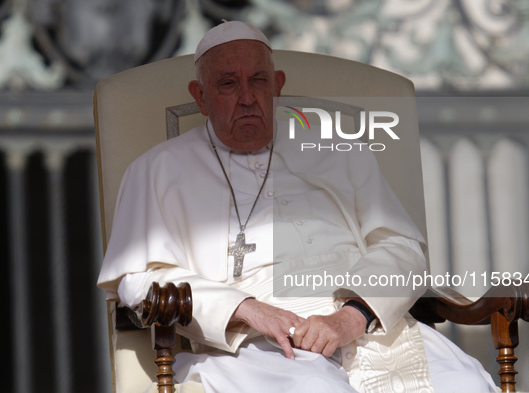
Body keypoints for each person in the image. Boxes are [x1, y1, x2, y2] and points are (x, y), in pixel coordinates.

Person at [98, 21, 498, 393]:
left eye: (258, 80)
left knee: (463, 385)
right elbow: (137, 278)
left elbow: (403, 246)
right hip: (256, 346)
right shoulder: (157, 170)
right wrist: (244, 308)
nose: (248, 97)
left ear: (279, 85)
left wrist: (351, 317)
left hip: (369, 327)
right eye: (227, 84)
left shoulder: (340, 149)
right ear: (199, 97)